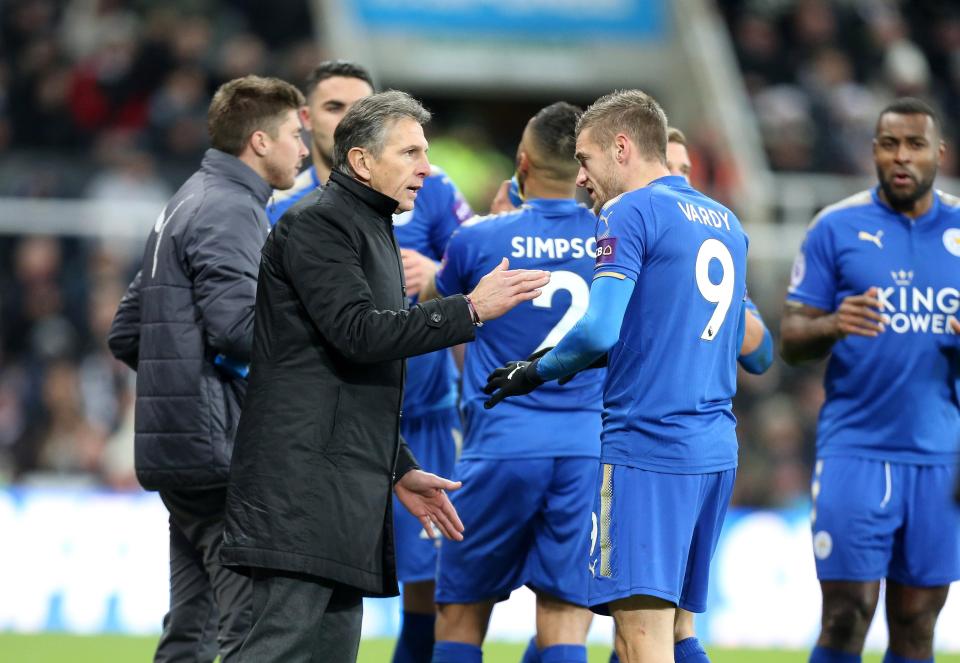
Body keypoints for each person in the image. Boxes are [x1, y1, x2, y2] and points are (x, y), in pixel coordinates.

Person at [219, 90, 551, 663]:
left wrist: (397, 467)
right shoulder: (319, 224)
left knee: (326, 651)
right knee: (279, 651)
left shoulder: (366, 226)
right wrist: (468, 308)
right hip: (301, 488)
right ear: (363, 162)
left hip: (341, 482)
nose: (426, 167)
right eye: (411, 153)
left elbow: (343, 374)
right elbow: (360, 334)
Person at [483, 89, 749, 663]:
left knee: (640, 639)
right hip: (714, 449)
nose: (580, 177)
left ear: (621, 147)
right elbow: (689, 342)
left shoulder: (629, 211)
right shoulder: (725, 221)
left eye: (584, 158)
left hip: (648, 448)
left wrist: (538, 369)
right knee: (675, 632)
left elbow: (600, 329)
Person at [265, 59, 475, 663]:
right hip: (335, 432)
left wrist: (439, 276)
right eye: (335, 107)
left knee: (427, 591)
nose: (349, 114)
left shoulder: (431, 190)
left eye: (362, 103)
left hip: (422, 420)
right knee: (312, 606)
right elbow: (338, 334)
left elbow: (478, 259)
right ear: (310, 121)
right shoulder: (293, 215)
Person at [106, 75, 309, 663]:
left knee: (192, 624)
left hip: (183, 447)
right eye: (295, 134)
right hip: (221, 449)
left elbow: (126, 330)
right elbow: (239, 331)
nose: (303, 148)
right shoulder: (231, 208)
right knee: (247, 627)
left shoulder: (187, 199)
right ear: (261, 141)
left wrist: (177, 386)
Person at [780, 97, 960, 663]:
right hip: (856, 450)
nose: (901, 157)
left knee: (916, 622)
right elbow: (790, 339)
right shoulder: (836, 227)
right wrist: (834, 323)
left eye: (914, 145)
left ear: (939, 153)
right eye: (889, 144)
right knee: (845, 614)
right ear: (874, 151)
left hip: (941, 457)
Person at [420, 102, 601, 663]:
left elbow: (432, 314)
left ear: (521, 162)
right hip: (585, 452)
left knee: (461, 614)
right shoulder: (614, 237)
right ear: (582, 168)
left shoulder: (479, 240)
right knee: (564, 616)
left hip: (499, 447)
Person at [602, 127, 774, 663]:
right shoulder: (622, 230)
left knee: (646, 624)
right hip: (694, 445)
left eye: (683, 170)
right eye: (668, 167)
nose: (675, 180)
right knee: (649, 625)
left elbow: (761, 351)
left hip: (646, 447)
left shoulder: (660, 228)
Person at [266, 60, 375, 223]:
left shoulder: (421, 188)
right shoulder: (275, 210)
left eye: (361, 109)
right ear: (306, 118)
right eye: (334, 108)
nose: (349, 121)